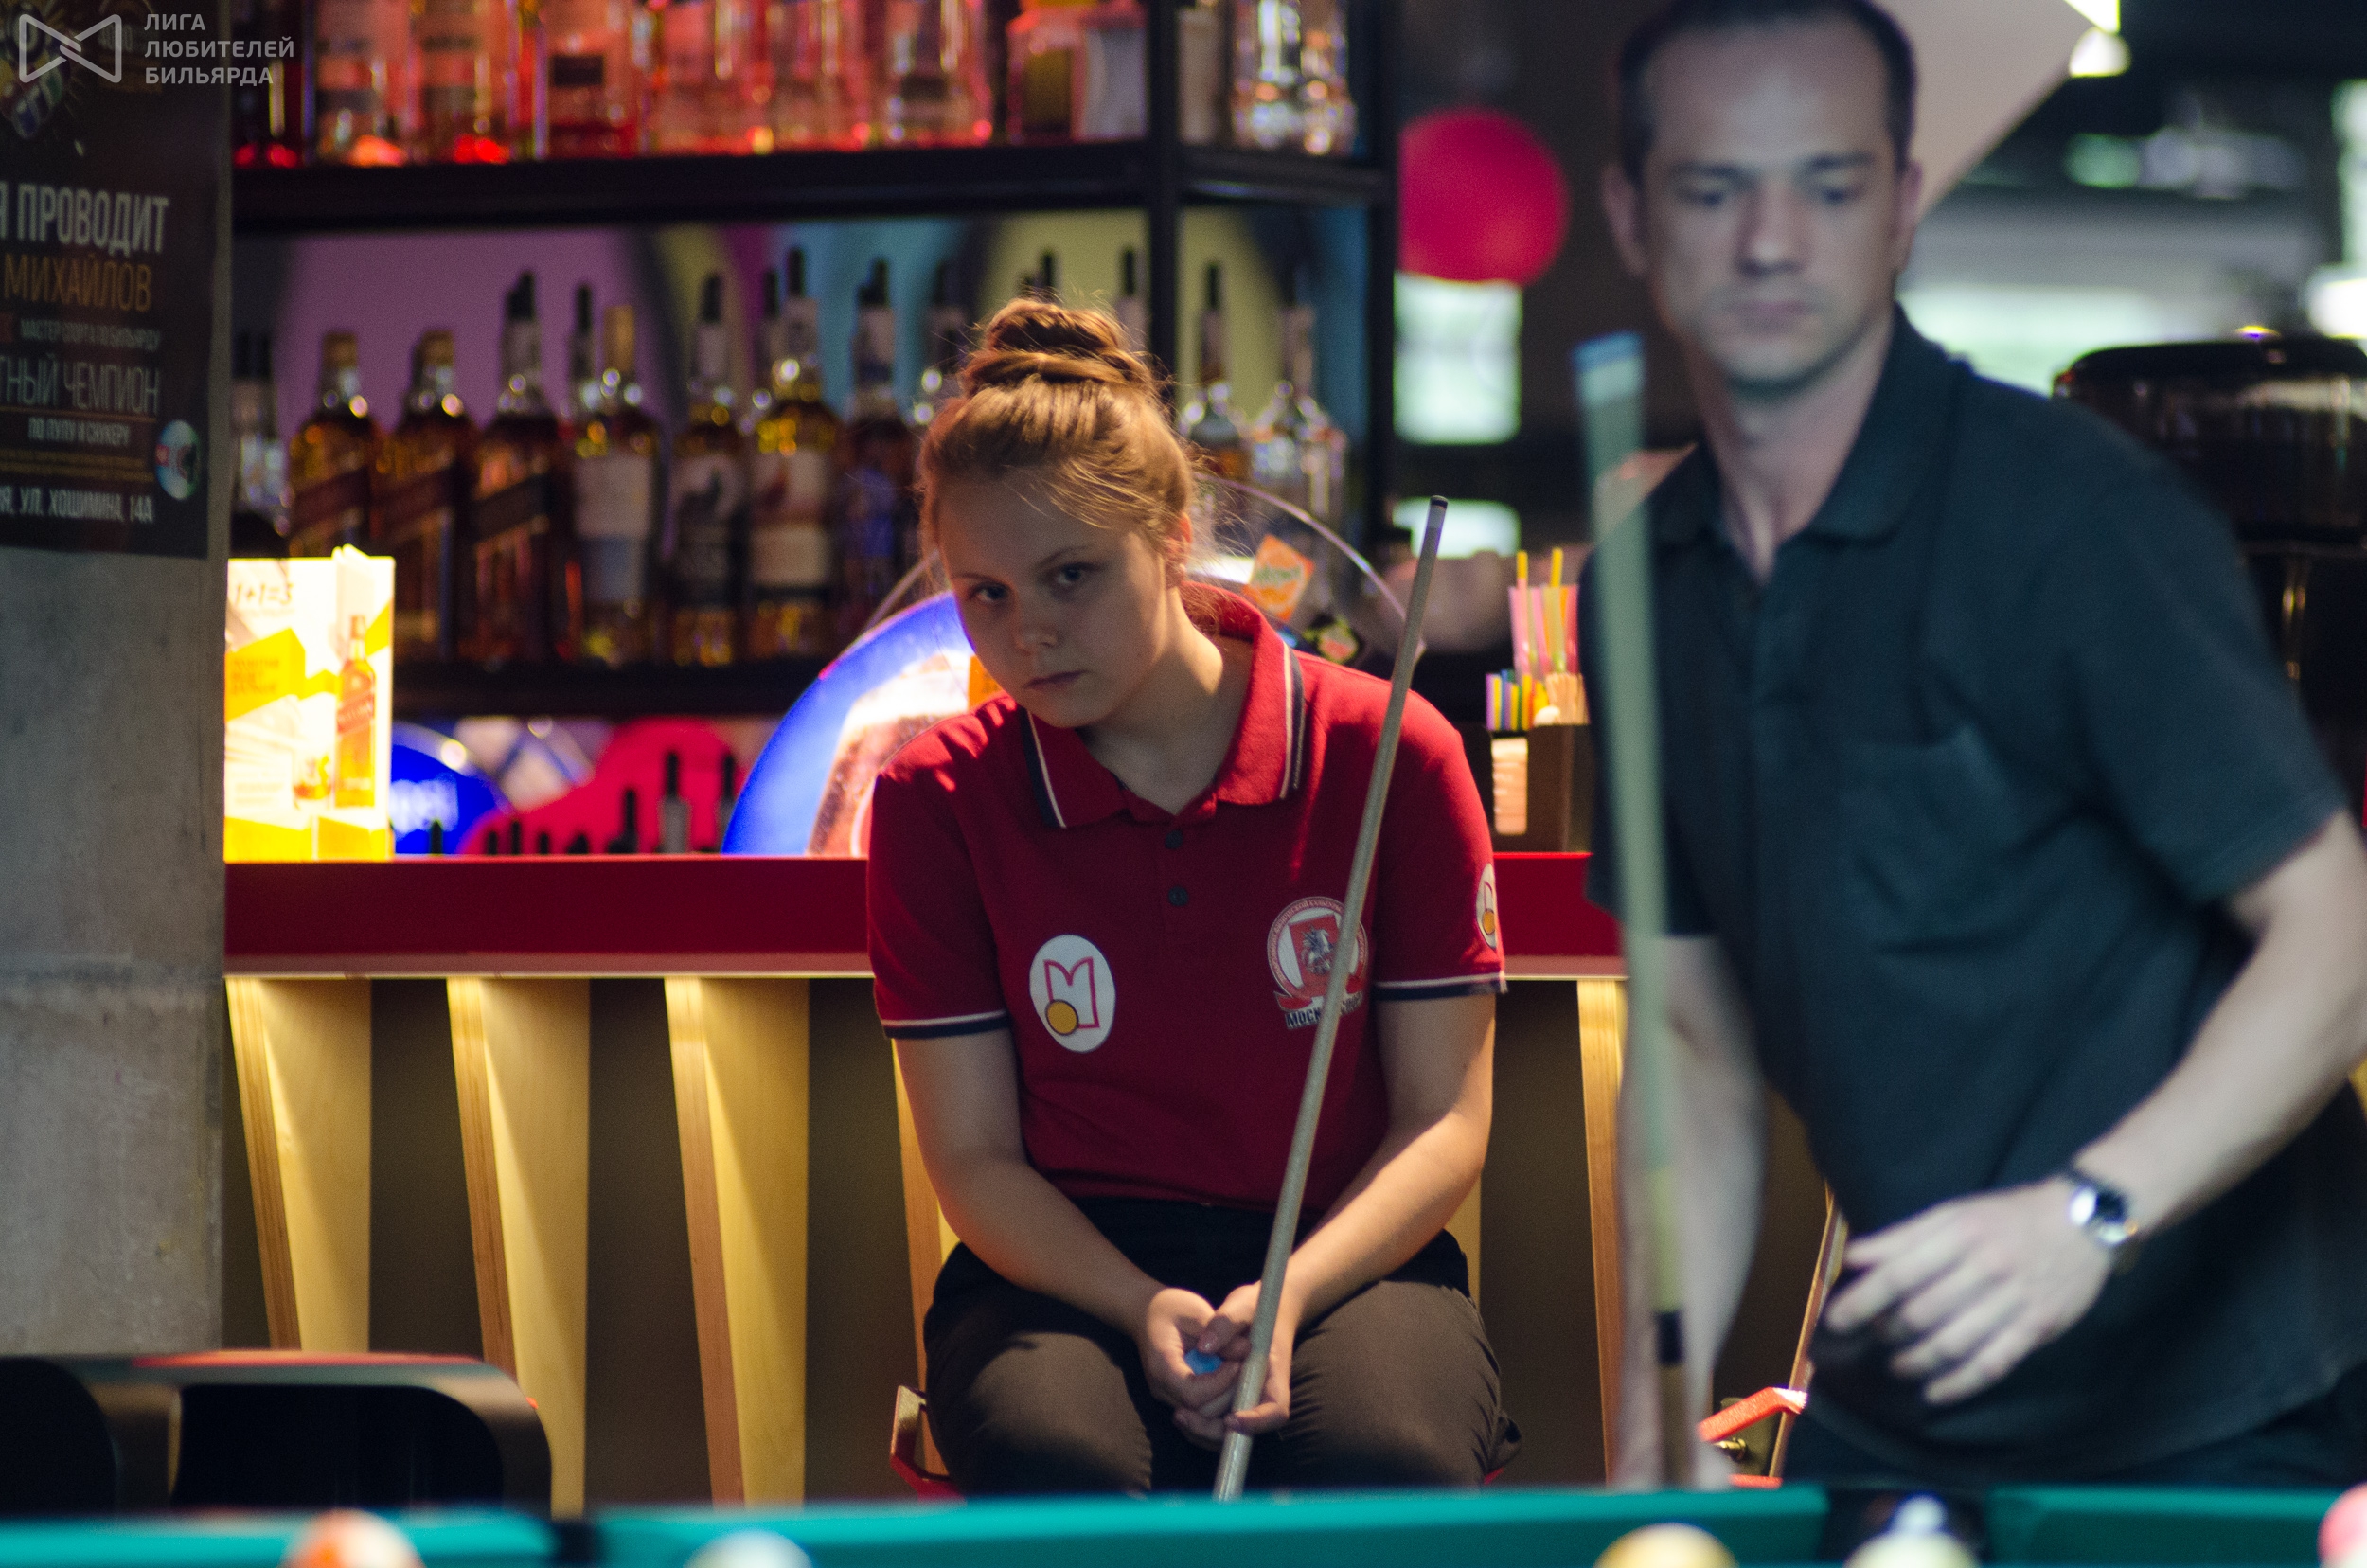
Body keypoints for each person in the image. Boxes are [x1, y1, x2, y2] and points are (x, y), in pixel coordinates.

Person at [1584, 0, 2367, 1489]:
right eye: (1713, 188)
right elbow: (1689, 1048)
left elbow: (2339, 939)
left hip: (2222, 1397)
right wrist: (1652, 1422)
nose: (1770, 242)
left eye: (1826, 186)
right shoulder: (1644, 590)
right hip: (1916, 1393)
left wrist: (2088, 1213)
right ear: (1633, 214)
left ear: (1902, 205)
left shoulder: (2077, 521)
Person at [863, 297, 1520, 1494]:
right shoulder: (935, 798)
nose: (1028, 632)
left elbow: (1442, 1122)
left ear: (1171, 540)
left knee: (1384, 1460)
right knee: (1055, 1463)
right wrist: (1139, 1301)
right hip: (1060, 1266)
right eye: (986, 593)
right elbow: (973, 1161)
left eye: (1070, 576)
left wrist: (1294, 1290)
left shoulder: (1389, 752)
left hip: (1346, 1253)